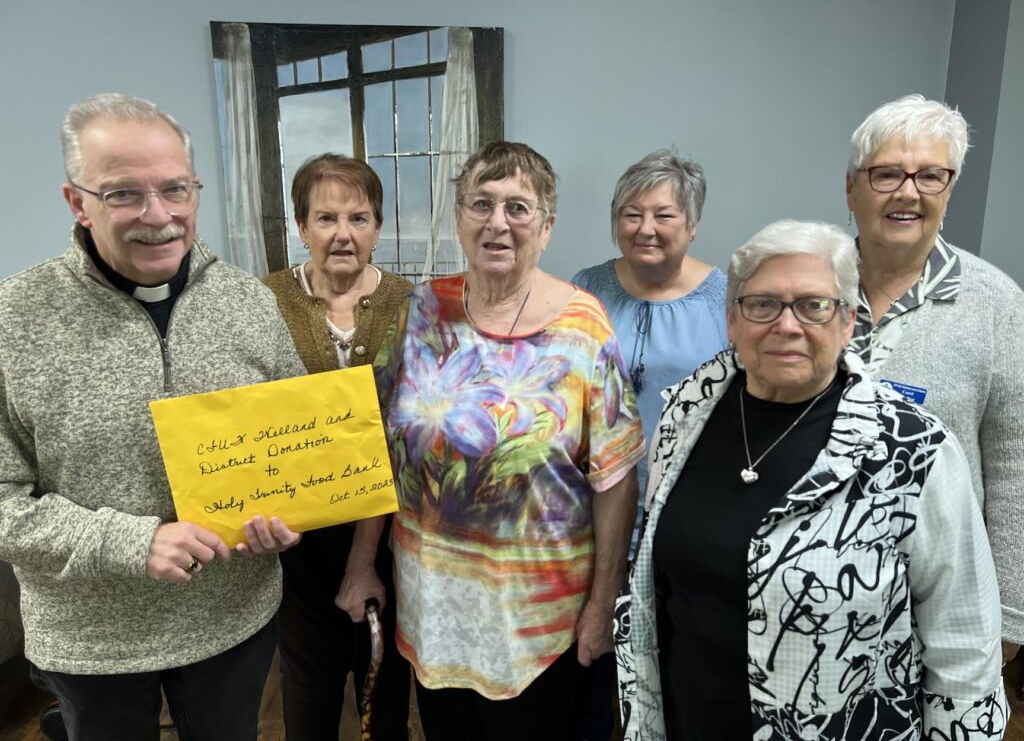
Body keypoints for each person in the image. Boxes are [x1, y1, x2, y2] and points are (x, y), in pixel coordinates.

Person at [619, 220, 1006, 739]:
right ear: (732, 320)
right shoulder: (685, 416)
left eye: (813, 305)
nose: (787, 324)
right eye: (762, 304)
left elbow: (964, 646)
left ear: (848, 322)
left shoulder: (912, 449)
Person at [0, 93, 305, 739]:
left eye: (175, 189)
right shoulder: (13, 319)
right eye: (123, 194)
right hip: (92, 639)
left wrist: (291, 511)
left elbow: (298, 445)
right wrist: (133, 543)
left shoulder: (249, 300)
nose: (159, 216)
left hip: (233, 619)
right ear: (76, 201)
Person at [372, 141, 645, 740]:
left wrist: (603, 606)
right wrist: (360, 564)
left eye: (518, 208)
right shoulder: (419, 310)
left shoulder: (583, 326)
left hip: (539, 623)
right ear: (460, 217)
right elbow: (380, 450)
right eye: (481, 204)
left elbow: (615, 479)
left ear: (546, 227)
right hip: (434, 611)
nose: (498, 222)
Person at [844, 94, 1024, 670]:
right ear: (852, 188)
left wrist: (1010, 615)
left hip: (938, 603)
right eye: (888, 173)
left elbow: (1014, 462)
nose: (908, 191)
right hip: (807, 595)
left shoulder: (995, 304)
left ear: (949, 189)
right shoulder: (805, 287)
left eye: (931, 176)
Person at [572, 150, 726, 739]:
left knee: (672, 676)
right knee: (590, 665)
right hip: (592, 514)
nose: (645, 228)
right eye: (631, 213)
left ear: (692, 223)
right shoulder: (586, 289)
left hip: (683, 518)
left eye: (663, 215)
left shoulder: (726, 300)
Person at [262, 153, 411, 739]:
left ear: (378, 227)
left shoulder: (411, 302)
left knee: (387, 687)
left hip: (393, 530)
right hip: (295, 536)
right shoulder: (263, 300)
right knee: (308, 689)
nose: (343, 234)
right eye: (326, 218)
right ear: (301, 228)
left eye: (359, 217)